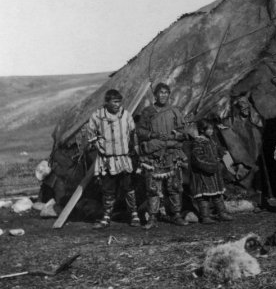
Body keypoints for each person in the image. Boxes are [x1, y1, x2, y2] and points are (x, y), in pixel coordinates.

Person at [136, 82, 189, 226]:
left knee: (175, 186)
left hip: (172, 153)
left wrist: (176, 135)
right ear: (155, 95)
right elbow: (140, 131)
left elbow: (184, 132)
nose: (163, 95)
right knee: (153, 188)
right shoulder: (148, 112)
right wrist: (154, 135)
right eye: (160, 92)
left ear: (169, 94)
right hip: (154, 155)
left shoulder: (175, 111)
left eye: (166, 92)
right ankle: (152, 217)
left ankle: (176, 215)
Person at [87, 89, 139, 229]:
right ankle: (106, 216)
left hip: (124, 158)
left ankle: (134, 214)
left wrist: (134, 151)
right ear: (107, 102)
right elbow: (90, 135)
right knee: (108, 189)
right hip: (107, 160)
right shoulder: (97, 116)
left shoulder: (126, 115)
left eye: (119, 102)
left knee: (129, 187)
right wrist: (100, 147)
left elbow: (133, 133)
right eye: (114, 102)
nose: (117, 105)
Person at [190, 119, 234, 224]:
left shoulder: (211, 140)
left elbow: (216, 148)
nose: (211, 131)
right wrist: (211, 164)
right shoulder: (197, 143)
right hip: (203, 175)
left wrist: (221, 151)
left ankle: (222, 213)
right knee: (203, 197)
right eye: (209, 129)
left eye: (212, 129)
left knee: (217, 195)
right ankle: (205, 216)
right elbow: (198, 158)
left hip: (213, 175)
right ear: (201, 130)